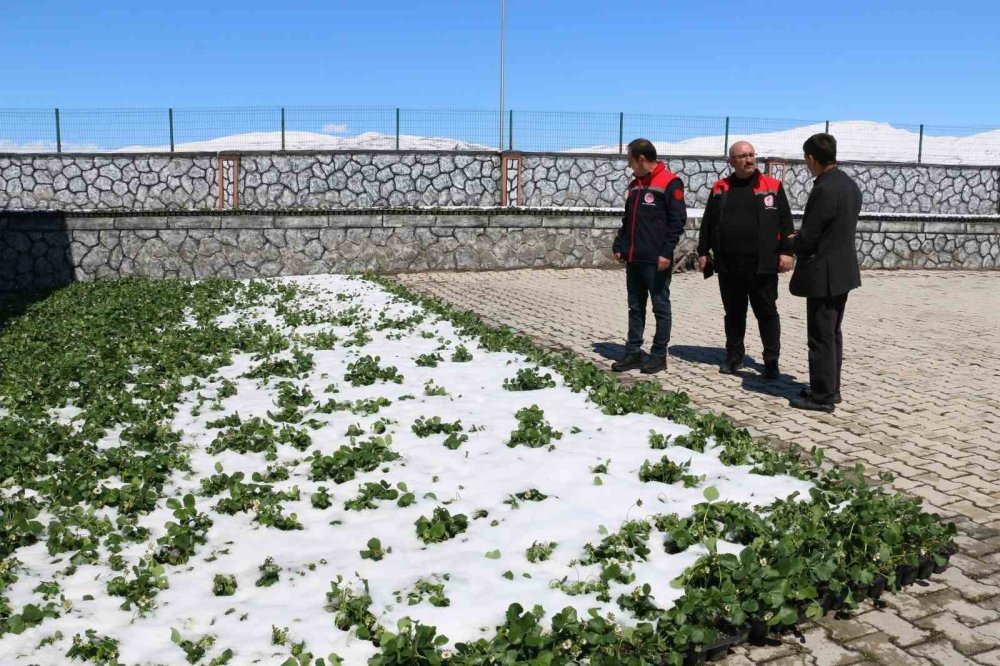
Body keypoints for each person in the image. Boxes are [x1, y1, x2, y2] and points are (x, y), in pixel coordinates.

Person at [696, 141, 794, 378]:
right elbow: (708, 222)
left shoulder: (772, 186)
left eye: (751, 155)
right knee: (734, 314)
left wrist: (787, 252)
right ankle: (734, 357)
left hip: (763, 265)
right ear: (732, 161)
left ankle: (771, 361)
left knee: (767, 314)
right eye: (742, 156)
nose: (748, 159)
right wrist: (702, 252)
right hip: (729, 265)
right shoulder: (720, 188)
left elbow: (786, 222)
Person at [788, 133, 862, 413]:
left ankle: (821, 396)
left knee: (820, 336)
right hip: (842, 271)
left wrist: (793, 241)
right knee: (832, 333)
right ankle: (832, 387)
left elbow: (810, 236)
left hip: (823, 273)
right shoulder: (848, 184)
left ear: (811, 158)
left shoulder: (824, 189)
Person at [610, 138, 687, 374]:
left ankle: (658, 355)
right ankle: (633, 352)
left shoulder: (670, 182)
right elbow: (628, 220)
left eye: (630, 159)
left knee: (660, 308)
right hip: (634, 258)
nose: (629, 164)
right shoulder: (635, 185)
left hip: (656, 260)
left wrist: (666, 252)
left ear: (641, 159)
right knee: (635, 307)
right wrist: (620, 245)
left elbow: (677, 222)